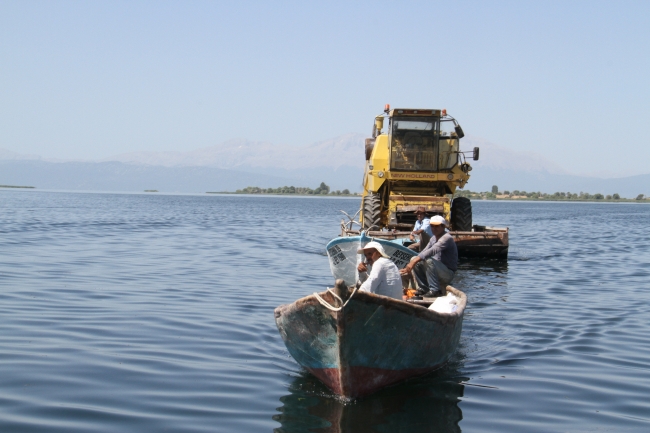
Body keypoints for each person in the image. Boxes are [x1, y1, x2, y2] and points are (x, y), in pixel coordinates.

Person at [400, 215, 458, 297]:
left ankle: (435, 290)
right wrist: (409, 265)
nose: (434, 229)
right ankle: (423, 288)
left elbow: (432, 250)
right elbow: (423, 252)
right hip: (437, 270)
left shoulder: (446, 238)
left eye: (437, 226)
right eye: (432, 226)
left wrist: (414, 262)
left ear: (443, 226)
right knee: (415, 258)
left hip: (447, 274)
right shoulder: (433, 238)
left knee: (427, 260)